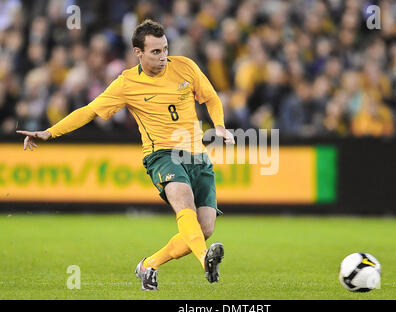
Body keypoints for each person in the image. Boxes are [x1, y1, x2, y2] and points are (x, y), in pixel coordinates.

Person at [16, 19, 235, 291]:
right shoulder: (127, 83)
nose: (163, 56)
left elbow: (211, 97)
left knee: (204, 230)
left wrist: (220, 127)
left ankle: (149, 266)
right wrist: (50, 132)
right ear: (138, 53)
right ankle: (205, 260)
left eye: (165, 48)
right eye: (155, 52)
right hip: (162, 154)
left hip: (196, 156)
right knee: (183, 199)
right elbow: (90, 111)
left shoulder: (186, 66)